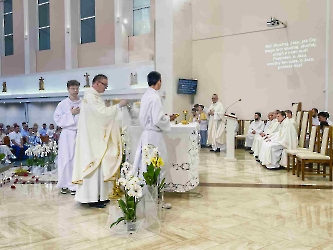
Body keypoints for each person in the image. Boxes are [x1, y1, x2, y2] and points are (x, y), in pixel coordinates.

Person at [72, 74, 127, 208]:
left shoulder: (94, 97)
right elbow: (102, 114)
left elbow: (101, 115)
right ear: (97, 83)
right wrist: (118, 106)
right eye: (104, 85)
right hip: (92, 140)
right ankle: (91, 198)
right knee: (94, 167)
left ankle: (99, 196)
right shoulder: (90, 97)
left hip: (95, 138)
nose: (105, 88)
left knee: (99, 166)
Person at [133, 71, 176, 178]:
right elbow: (157, 120)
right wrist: (168, 118)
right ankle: (154, 191)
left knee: (145, 164)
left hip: (146, 134)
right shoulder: (155, 97)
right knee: (159, 163)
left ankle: (146, 190)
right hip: (154, 135)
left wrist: (162, 117)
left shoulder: (146, 96)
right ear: (158, 81)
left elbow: (149, 116)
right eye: (161, 80)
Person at [54, 80, 82, 195]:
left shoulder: (83, 103)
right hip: (67, 134)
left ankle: (76, 184)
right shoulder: (62, 104)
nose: (75, 91)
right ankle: (65, 184)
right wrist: (71, 113)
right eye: (73, 88)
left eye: (76, 88)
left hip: (79, 133)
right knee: (66, 159)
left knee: (77, 159)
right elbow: (57, 119)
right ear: (68, 89)